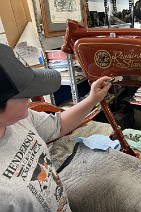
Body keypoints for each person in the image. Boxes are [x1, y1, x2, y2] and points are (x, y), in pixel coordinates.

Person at [0, 43, 111, 211]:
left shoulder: (19, 120)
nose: (30, 98)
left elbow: (58, 124)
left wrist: (92, 99)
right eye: (23, 94)